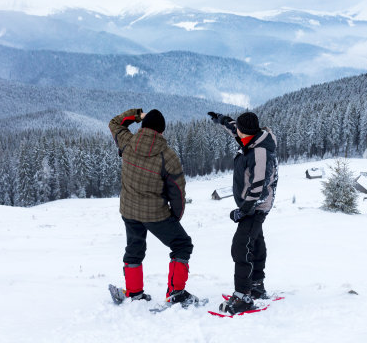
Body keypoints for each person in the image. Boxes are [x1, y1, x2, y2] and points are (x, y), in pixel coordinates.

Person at [108, 108, 200, 307]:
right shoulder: (168, 156)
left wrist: (136, 114)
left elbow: (115, 123)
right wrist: (175, 217)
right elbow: (177, 191)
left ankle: (134, 292)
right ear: (162, 131)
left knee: (134, 248)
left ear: (143, 125)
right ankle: (176, 292)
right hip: (155, 214)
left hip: (129, 209)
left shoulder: (128, 142)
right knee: (182, 244)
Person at [208, 111, 278, 314]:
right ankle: (256, 284)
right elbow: (234, 129)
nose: (236, 131)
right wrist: (221, 120)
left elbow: (259, 187)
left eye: (239, 129)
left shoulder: (260, 152)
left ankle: (243, 296)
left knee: (241, 245)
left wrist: (243, 211)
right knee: (255, 241)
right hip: (252, 205)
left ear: (246, 132)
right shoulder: (250, 139)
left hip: (256, 206)